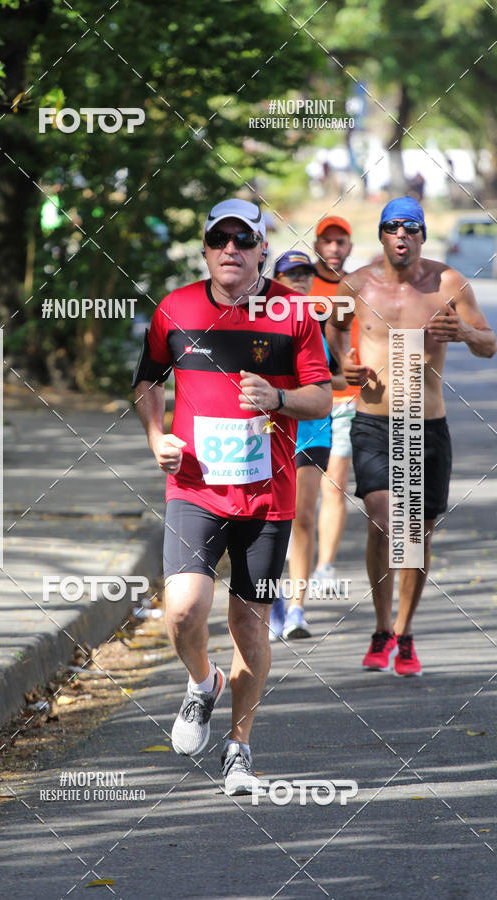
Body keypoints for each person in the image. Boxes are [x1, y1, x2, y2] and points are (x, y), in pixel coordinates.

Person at [133, 199, 332, 794]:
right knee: (183, 610)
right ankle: (201, 684)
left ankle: (239, 747)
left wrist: (277, 400)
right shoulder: (177, 308)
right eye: (219, 240)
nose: (230, 250)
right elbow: (148, 378)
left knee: (251, 625)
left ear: (262, 249)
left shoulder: (294, 312)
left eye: (243, 241)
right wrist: (155, 435)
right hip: (193, 487)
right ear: (205, 249)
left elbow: (321, 398)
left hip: (268, 496)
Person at [326, 196, 495, 676]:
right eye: (392, 228)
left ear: (422, 236)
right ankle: (381, 627)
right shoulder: (356, 284)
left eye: (412, 228)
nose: (402, 236)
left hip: (426, 424)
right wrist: (345, 364)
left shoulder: (448, 283)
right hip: (375, 421)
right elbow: (333, 329)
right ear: (381, 236)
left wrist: (462, 330)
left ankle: (404, 633)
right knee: (382, 519)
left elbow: (489, 346)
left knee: (415, 536)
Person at [267, 251, 346, 640]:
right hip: (268, 429)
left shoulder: (321, 318)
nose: (299, 280)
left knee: (303, 516)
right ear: (276, 277)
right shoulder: (258, 318)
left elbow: (338, 375)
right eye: (291, 274)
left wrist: (358, 375)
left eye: (305, 275)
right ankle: (270, 600)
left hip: (313, 427)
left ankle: (297, 608)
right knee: (266, 518)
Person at [310, 217, 357, 588]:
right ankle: (295, 555)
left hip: (344, 400)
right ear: (316, 245)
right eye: (328, 242)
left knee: (335, 484)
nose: (335, 249)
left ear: (350, 247)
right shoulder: (296, 282)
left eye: (341, 242)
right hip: (302, 402)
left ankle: (324, 566)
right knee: (297, 489)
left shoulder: (358, 287)